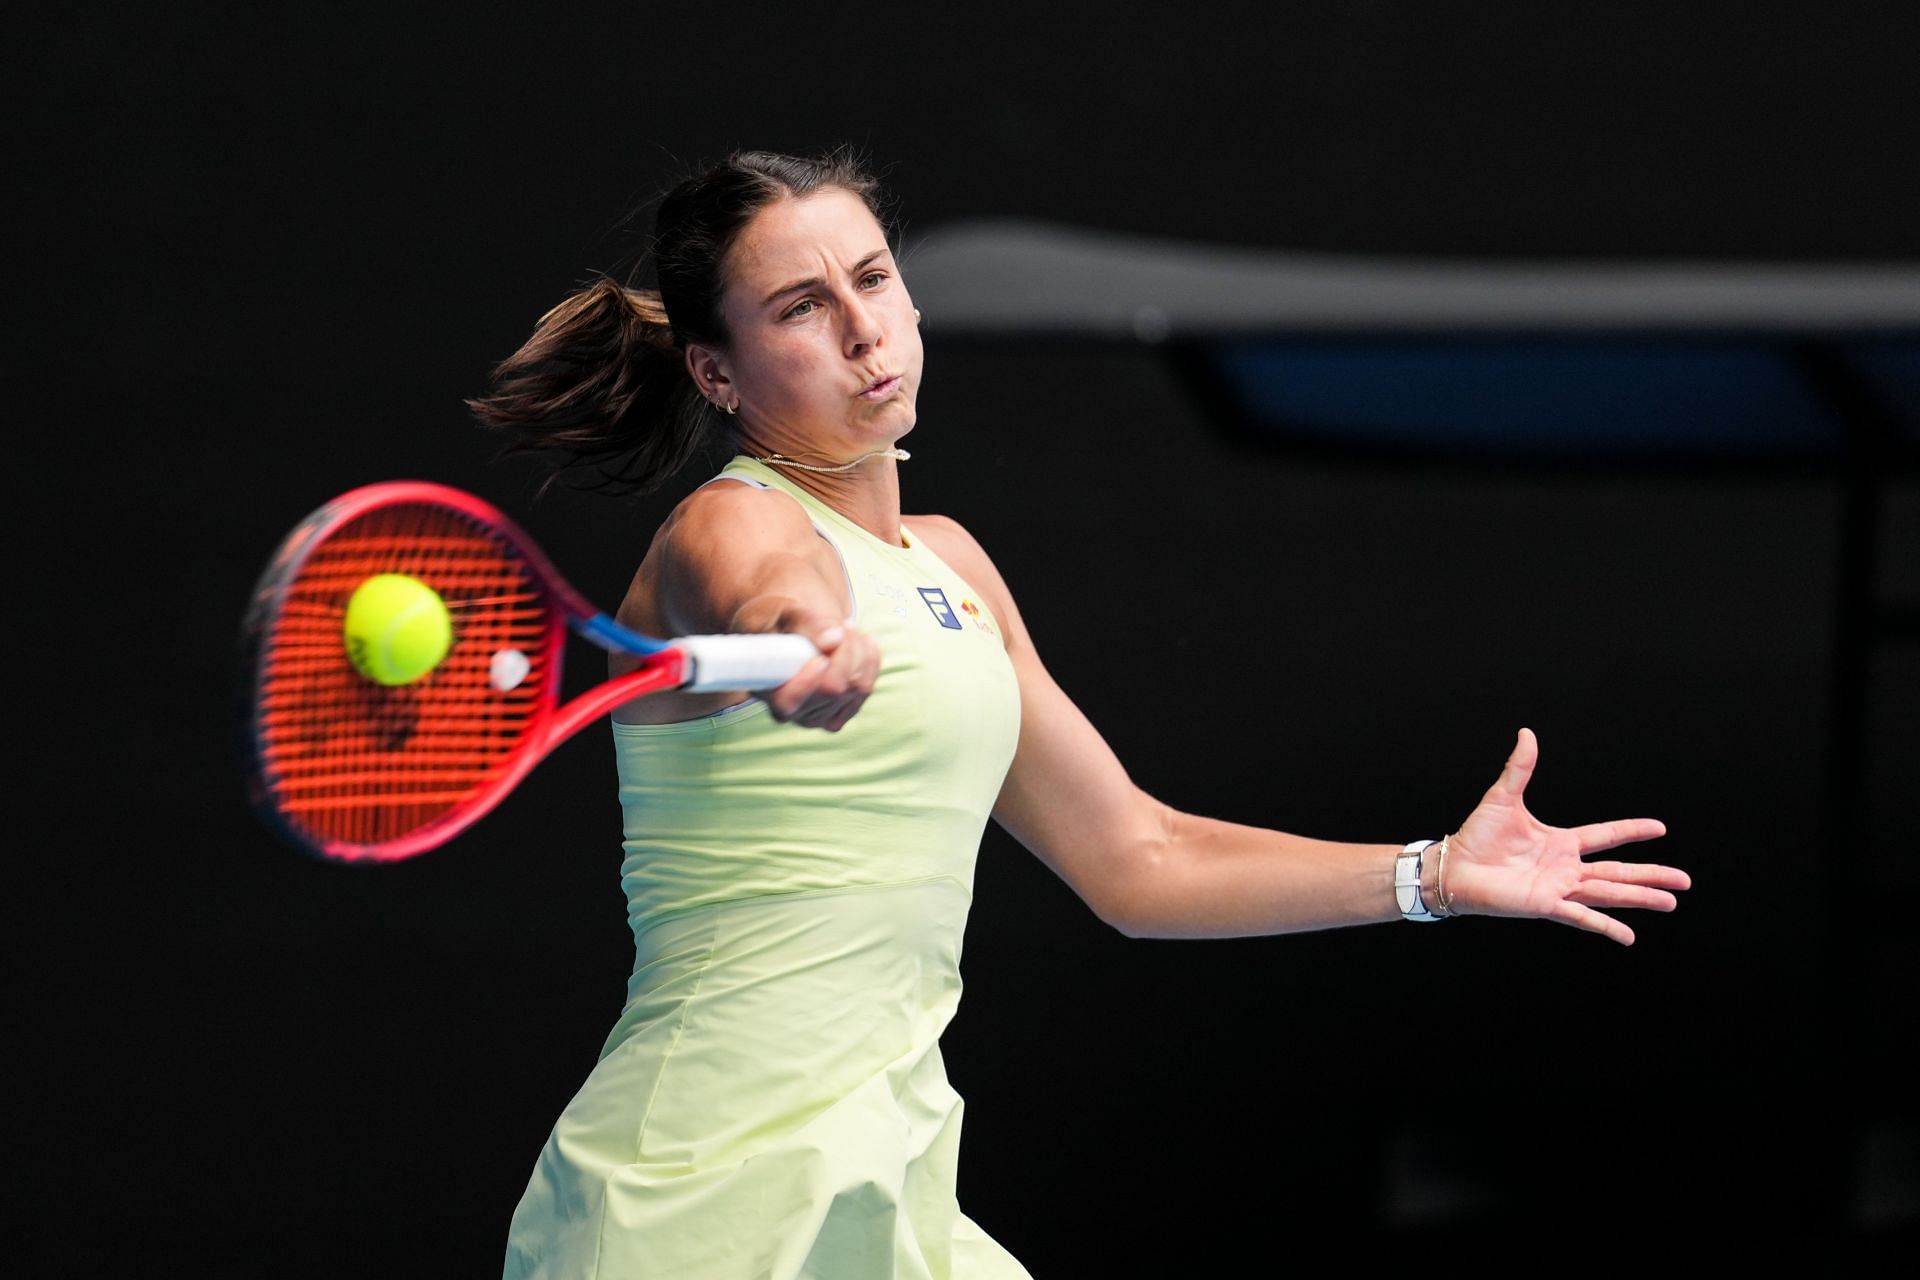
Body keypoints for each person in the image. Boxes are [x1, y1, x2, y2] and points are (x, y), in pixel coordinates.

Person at [468, 148, 1689, 1279]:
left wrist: (1430, 874)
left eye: (875, 279)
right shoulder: (728, 521)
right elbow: (773, 584)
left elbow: (1139, 859)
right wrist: (804, 640)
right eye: (800, 307)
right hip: (699, 1194)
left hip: (888, 1188)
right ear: (717, 372)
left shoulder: (952, 567)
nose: (862, 328)